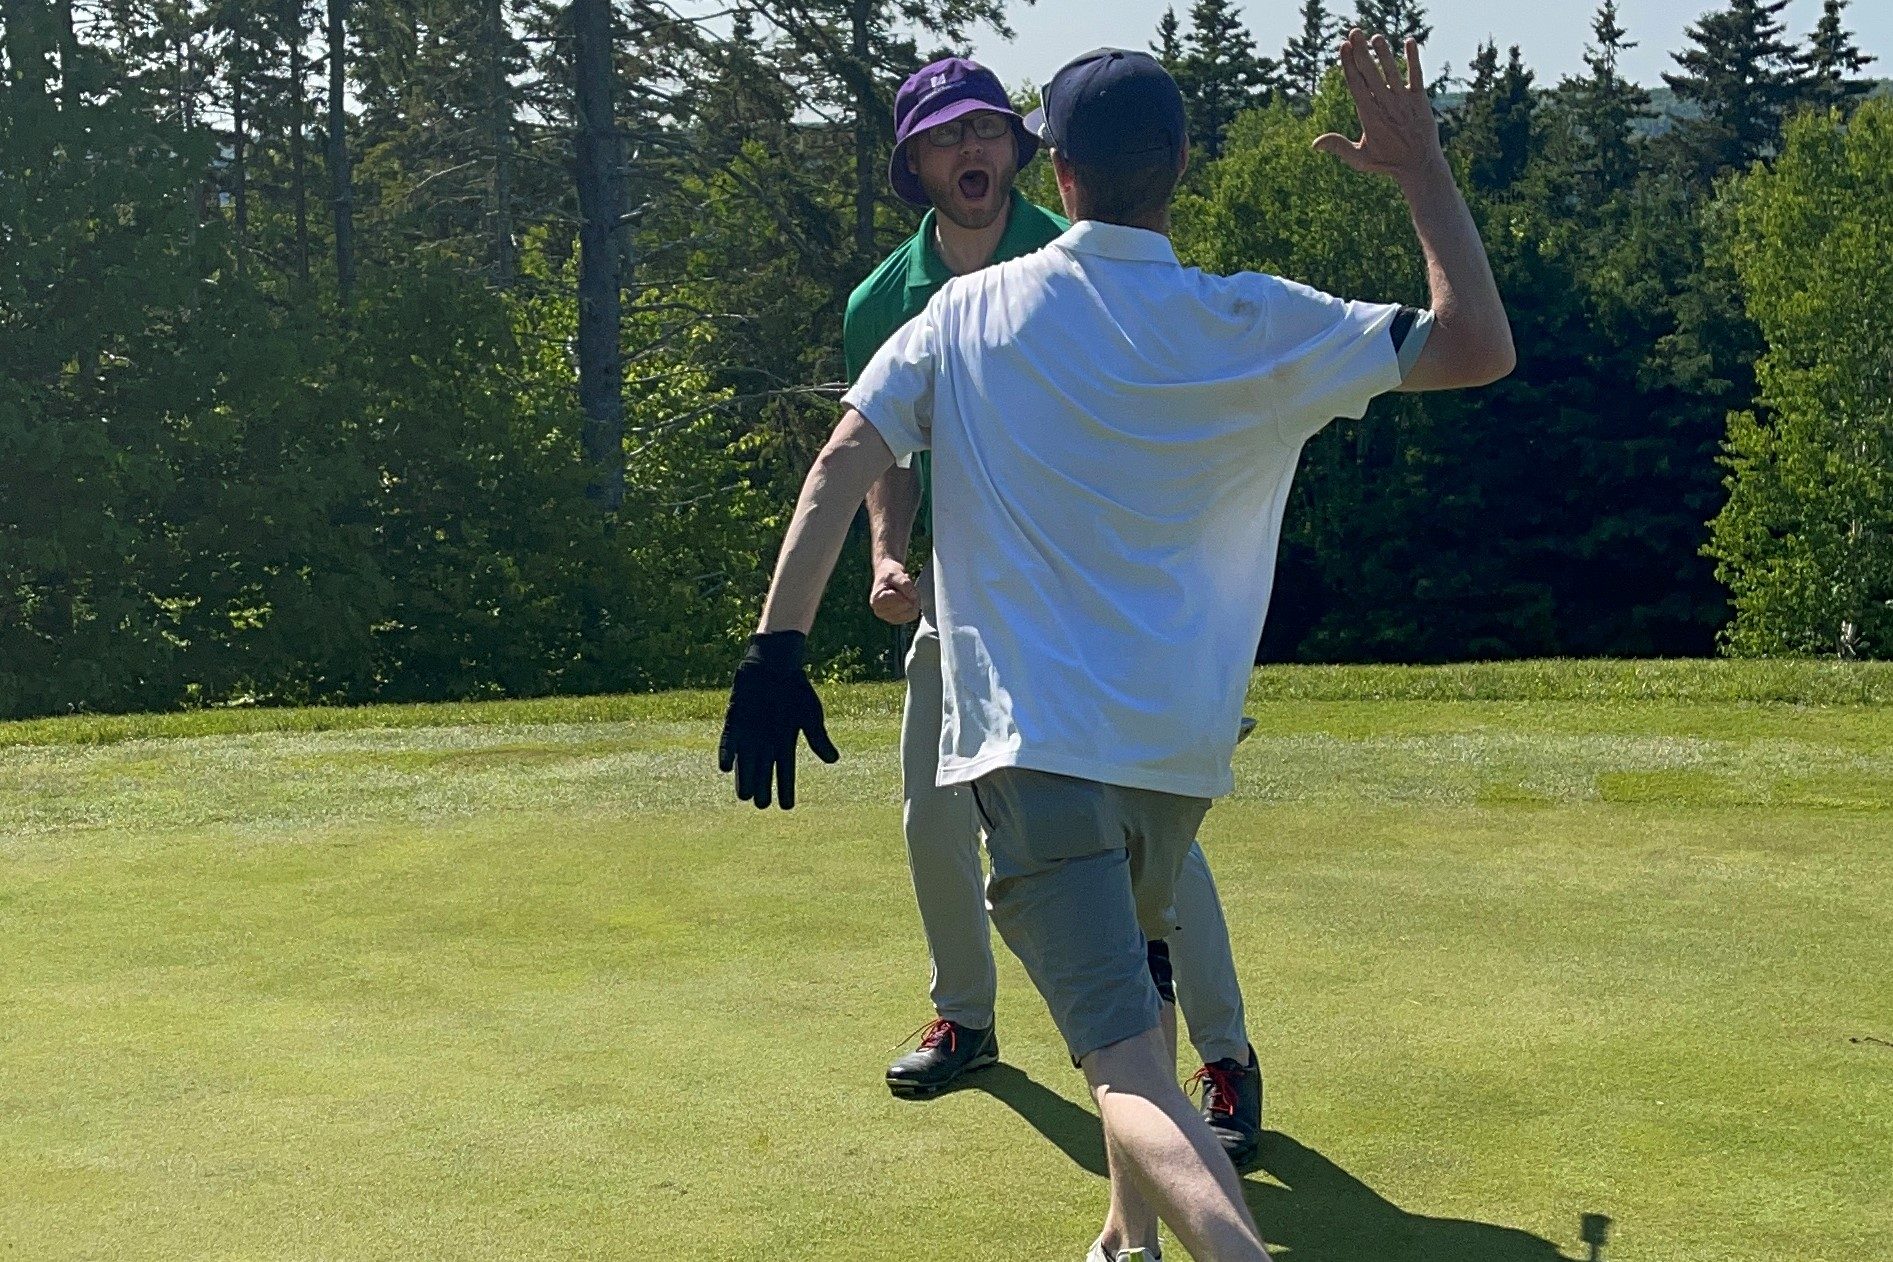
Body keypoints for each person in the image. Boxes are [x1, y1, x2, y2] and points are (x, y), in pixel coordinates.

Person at [717, 31, 1513, 1262]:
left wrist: (776, 650)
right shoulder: (1255, 316)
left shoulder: (964, 311)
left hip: (1035, 752)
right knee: (1137, 987)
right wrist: (1422, 174)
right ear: (1179, 166)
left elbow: (840, 466)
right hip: (1176, 750)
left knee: (1127, 1067)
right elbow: (1478, 344)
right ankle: (1122, 1234)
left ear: (1059, 174)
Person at [845, 54, 1262, 1161]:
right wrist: (890, 556)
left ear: (1032, 156)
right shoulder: (881, 300)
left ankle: (1220, 1052)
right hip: (966, 597)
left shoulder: (1075, 251)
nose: (970, 149)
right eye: (946, 137)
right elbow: (880, 450)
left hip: (1095, 610)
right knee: (931, 805)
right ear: (917, 164)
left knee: (1148, 826)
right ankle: (966, 1017)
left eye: (988, 129)